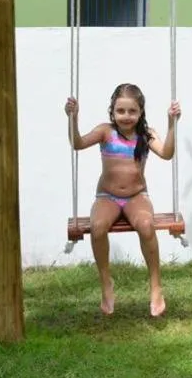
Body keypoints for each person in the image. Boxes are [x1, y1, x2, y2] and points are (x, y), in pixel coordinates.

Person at [65, 83, 181, 318]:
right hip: (107, 196)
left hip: (136, 196)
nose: (126, 117)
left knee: (146, 225)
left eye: (132, 111)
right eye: (120, 111)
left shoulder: (146, 135)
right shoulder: (105, 132)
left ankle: (156, 286)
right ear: (112, 111)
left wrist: (172, 125)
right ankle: (106, 283)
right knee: (97, 227)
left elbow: (167, 154)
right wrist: (72, 118)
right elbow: (77, 143)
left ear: (140, 112)